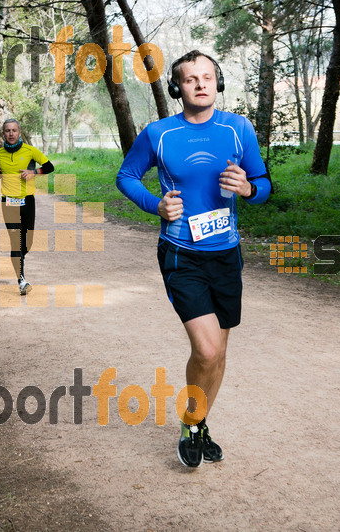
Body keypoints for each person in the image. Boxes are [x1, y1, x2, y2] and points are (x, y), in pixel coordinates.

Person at [116, 50, 272, 467]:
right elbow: (126, 176)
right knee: (205, 350)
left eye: (207, 77)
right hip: (181, 252)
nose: (200, 84)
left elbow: (262, 182)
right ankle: (190, 420)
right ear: (177, 87)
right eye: (190, 79)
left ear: (218, 83)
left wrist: (250, 189)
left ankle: (199, 423)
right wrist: (155, 205)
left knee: (219, 354)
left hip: (226, 254)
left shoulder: (239, 129)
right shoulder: (159, 133)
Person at [0, 118, 54, 295]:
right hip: (8, 202)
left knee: (28, 242)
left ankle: (18, 259)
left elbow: (49, 167)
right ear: (3, 133)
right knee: (15, 242)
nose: (11, 134)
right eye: (7, 131)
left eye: (14, 130)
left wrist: (34, 172)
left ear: (19, 132)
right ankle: (21, 280)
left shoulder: (30, 151)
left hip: (27, 201)